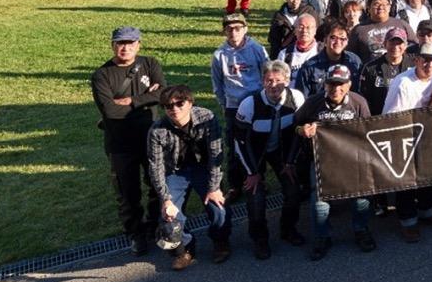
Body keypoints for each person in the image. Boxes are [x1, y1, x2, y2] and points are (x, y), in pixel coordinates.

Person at [91, 26, 165, 256]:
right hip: (120, 144)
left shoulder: (150, 63)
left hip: (150, 138)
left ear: (138, 45)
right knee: (127, 194)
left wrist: (131, 101)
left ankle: (156, 225)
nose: (125, 47)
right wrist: (145, 100)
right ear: (112, 45)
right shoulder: (102, 75)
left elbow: (163, 94)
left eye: (130, 43)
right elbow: (110, 111)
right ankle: (136, 234)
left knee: (157, 185)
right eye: (120, 43)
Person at [294, 64, 376, 259]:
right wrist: (302, 130)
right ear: (325, 84)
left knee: (362, 197)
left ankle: (361, 230)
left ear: (349, 85)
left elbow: (369, 131)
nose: (336, 89)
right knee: (319, 201)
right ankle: (322, 236)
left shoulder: (358, 102)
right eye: (332, 84)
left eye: (341, 84)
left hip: (352, 159)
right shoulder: (313, 103)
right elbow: (296, 123)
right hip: (322, 160)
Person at [147, 84, 232, 269]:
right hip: (176, 172)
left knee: (219, 207)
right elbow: (156, 167)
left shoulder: (207, 118)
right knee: (169, 216)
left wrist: (214, 187)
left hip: (203, 168)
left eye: (179, 103)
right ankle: (185, 249)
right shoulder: (157, 130)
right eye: (169, 106)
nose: (175, 109)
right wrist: (165, 199)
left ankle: (220, 241)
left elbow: (216, 155)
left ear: (190, 103)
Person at [234, 60, 305, 259]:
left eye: (278, 80)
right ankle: (260, 239)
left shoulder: (296, 98)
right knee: (255, 196)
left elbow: (299, 133)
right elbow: (239, 141)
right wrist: (252, 173)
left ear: (287, 81)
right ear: (262, 82)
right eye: (268, 81)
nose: (273, 85)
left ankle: (288, 229)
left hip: (281, 151)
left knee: (293, 190)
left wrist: (290, 162)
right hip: (254, 153)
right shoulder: (249, 104)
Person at [382, 41, 432, 242]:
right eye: (425, 60)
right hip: (404, 134)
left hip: (428, 134)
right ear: (416, 60)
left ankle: (426, 210)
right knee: (408, 180)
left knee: (430, 173)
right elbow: (390, 117)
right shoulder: (402, 83)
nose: (429, 65)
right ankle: (408, 221)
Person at [210, 12, 266, 198]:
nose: (233, 33)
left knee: (257, 143)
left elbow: (266, 73)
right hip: (233, 106)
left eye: (237, 28)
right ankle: (235, 185)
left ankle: (259, 180)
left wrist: (262, 98)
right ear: (224, 32)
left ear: (245, 29)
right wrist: (224, 103)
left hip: (256, 103)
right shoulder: (219, 55)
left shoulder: (257, 49)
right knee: (234, 145)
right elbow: (217, 84)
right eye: (229, 29)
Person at [295, 20, 361, 96]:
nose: (338, 42)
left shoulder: (354, 62)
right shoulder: (309, 67)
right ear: (325, 40)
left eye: (342, 39)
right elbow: (302, 98)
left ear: (347, 42)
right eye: (333, 38)